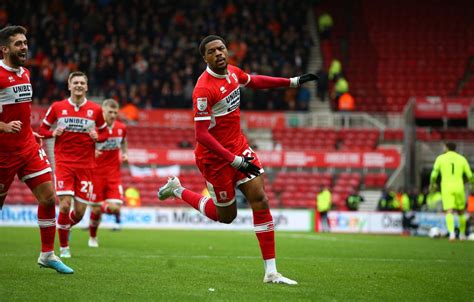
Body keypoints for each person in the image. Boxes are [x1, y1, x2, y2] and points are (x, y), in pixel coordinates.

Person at [157, 35, 318, 285]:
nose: (219, 53)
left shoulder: (232, 72)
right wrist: (232, 160)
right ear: (205, 58)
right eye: (212, 51)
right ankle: (177, 189)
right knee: (226, 216)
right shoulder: (203, 89)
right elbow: (201, 135)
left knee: (260, 199)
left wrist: (292, 82)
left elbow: (254, 81)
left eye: (221, 48)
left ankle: (271, 272)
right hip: (215, 159)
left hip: (239, 148)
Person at [0, 25, 73, 273]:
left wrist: (26, 131)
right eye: (18, 43)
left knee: (49, 197)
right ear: (4, 48)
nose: (24, 47)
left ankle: (47, 254)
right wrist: (3, 126)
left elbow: (19, 110)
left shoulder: (26, 74)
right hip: (3, 153)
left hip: (28, 148)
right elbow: (6, 118)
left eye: (25, 42)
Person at [38, 71, 108, 257]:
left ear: (86, 87)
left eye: (82, 83)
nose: (78, 85)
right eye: (75, 82)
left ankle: (64, 226)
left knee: (79, 212)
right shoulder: (57, 107)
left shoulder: (96, 109)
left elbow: (105, 134)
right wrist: (53, 133)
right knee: (64, 205)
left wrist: (97, 137)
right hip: (64, 163)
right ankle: (63, 248)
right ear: (69, 85)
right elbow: (42, 129)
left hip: (86, 166)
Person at [88, 99, 128, 247]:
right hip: (95, 174)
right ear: (103, 112)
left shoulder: (121, 128)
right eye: (109, 112)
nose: (112, 115)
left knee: (115, 208)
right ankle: (92, 237)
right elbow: (83, 147)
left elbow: (124, 141)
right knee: (97, 210)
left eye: (115, 112)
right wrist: (92, 152)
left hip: (113, 175)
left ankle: (95, 207)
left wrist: (124, 153)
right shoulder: (94, 129)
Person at [430, 142, 473, 241]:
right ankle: (462, 235)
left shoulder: (441, 158)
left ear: (446, 147)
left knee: (449, 211)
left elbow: (433, 174)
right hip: (459, 187)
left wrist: (432, 183)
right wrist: (472, 184)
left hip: (446, 187)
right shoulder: (462, 159)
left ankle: (452, 234)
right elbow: (470, 175)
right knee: (461, 212)